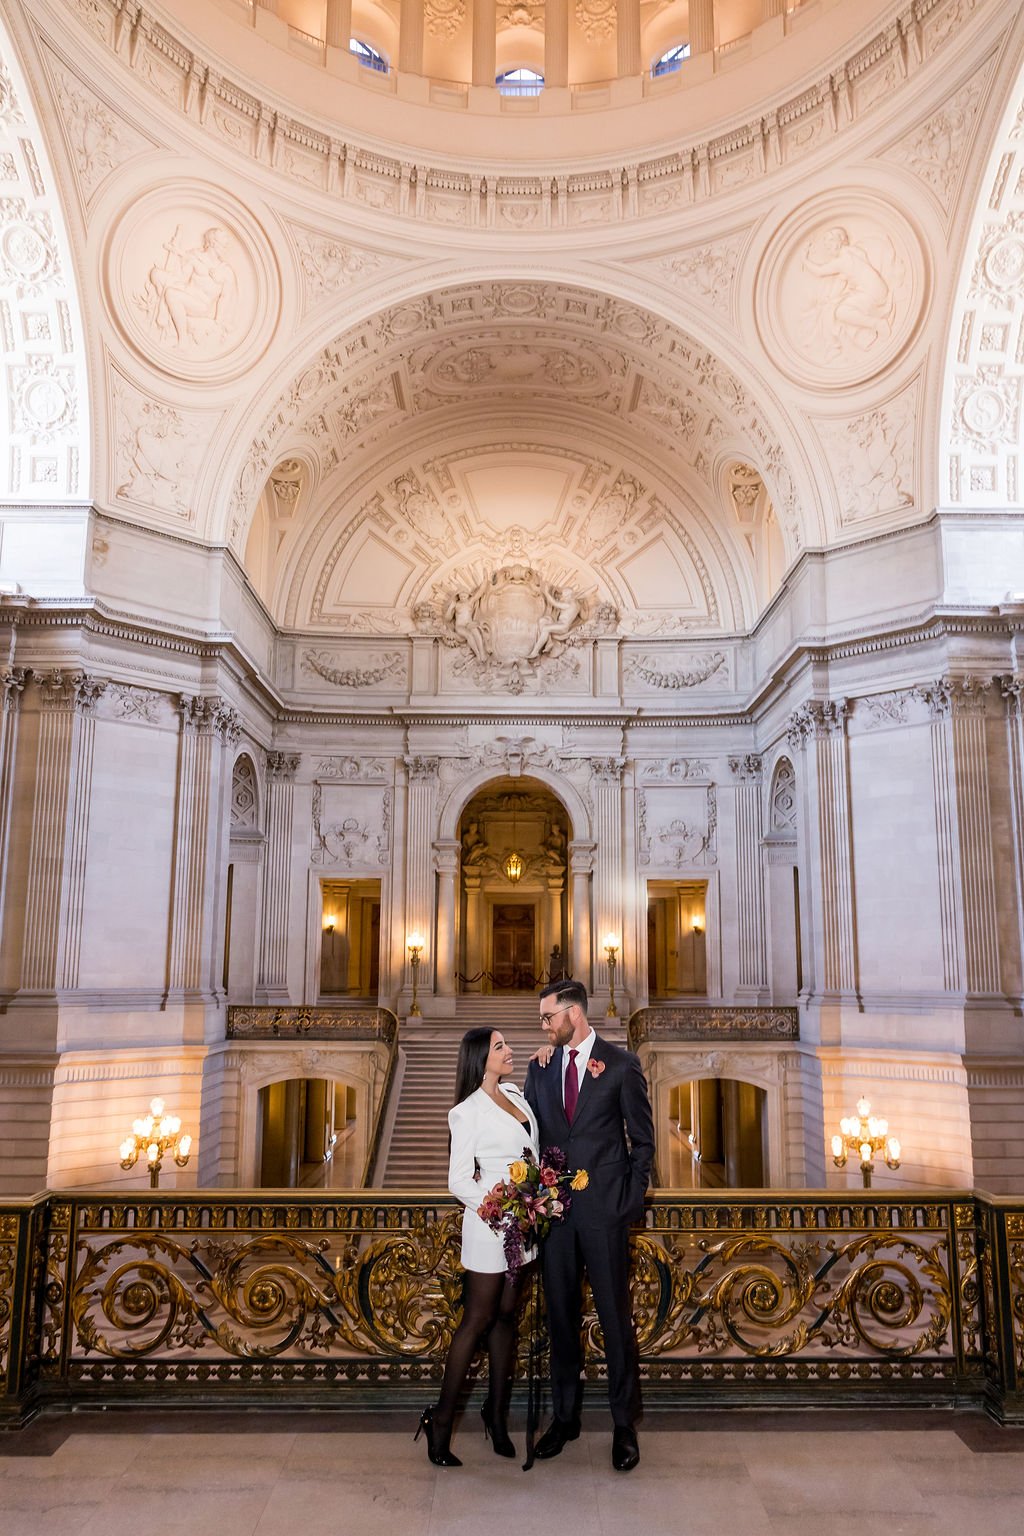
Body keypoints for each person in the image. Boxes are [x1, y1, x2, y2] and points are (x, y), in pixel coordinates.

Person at [524, 979, 654, 1473]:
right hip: (555, 1219)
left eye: (547, 1017)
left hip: (605, 1215)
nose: (544, 1025)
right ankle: (565, 1417)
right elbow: (530, 1134)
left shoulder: (621, 1065)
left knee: (616, 1321)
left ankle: (624, 1424)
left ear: (573, 1014)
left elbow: (642, 1142)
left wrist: (628, 1200)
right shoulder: (541, 1068)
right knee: (560, 1319)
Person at [416, 1027, 539, 1466]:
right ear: (479, 1058)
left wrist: (532, 1202)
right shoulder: (465, 1112)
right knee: (477, 1320)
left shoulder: (516, 1094)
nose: (509, 1051)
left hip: (523, 1227)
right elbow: (456, 1180)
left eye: (507, 1044)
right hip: (490, 1230)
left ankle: (497, 1415)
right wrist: (500, 1202)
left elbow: (531, 1153)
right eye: (500, 1047)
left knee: (508, 1317)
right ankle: (442, 1420)